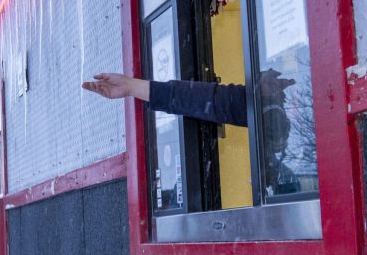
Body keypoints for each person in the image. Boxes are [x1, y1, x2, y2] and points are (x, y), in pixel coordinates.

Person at [81, 70, 297, 192]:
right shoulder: (265, 107)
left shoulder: (279, 120)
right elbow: (208, 100)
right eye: (262, 80)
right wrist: (131, 86)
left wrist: (264, 174)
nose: (264, 83)